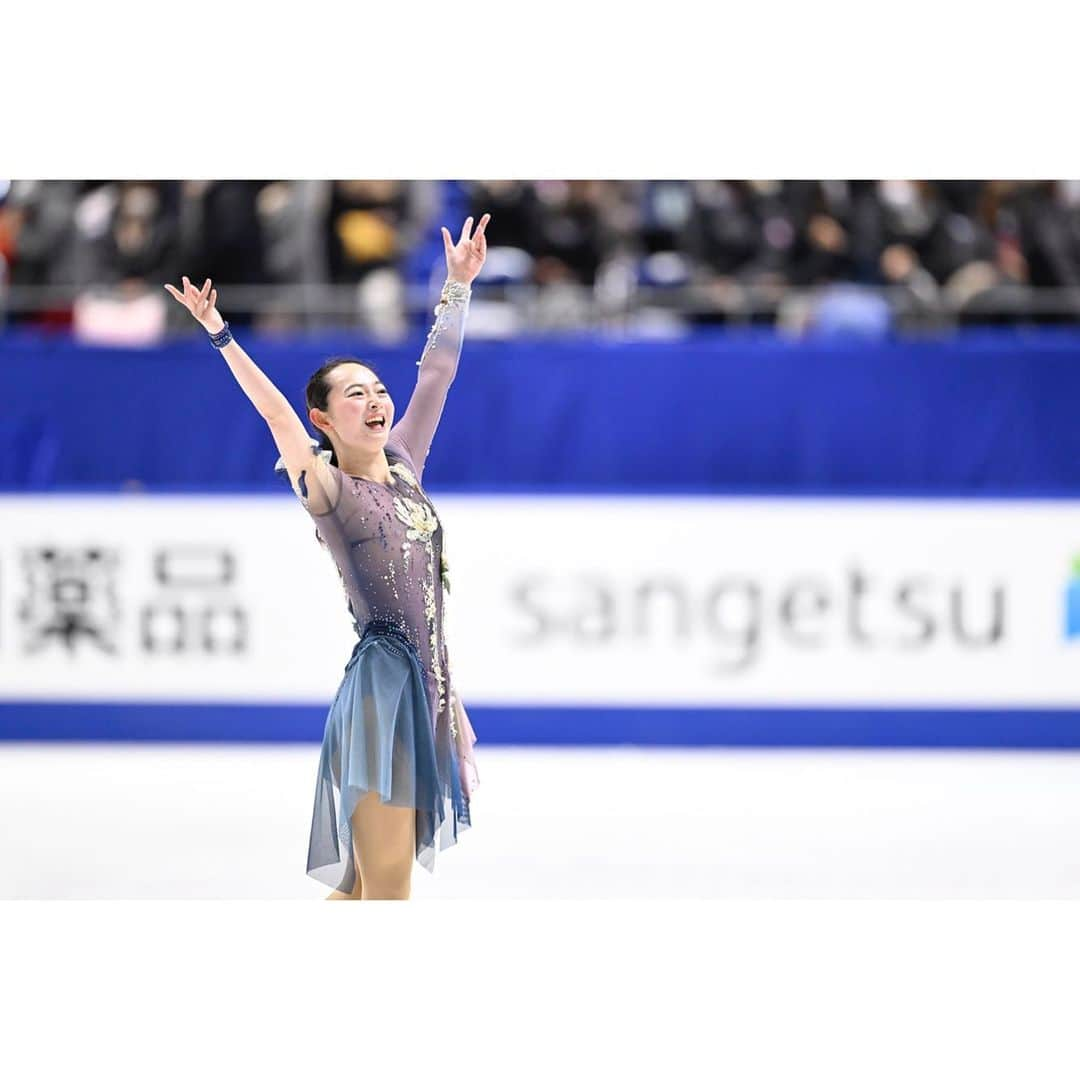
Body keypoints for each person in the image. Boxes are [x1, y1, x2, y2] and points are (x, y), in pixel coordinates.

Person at [164, 213, 490, 900]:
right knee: (386, 893)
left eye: (377, 390)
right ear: (325, 420)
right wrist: (221, 332)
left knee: (359, 891)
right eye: (354, 395)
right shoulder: (330, 491)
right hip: (380, 695)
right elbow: (277, 416)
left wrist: (457, 286)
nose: (375, 402)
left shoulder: (404, 464)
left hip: (421, 691)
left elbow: (436, 373)